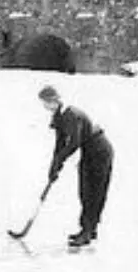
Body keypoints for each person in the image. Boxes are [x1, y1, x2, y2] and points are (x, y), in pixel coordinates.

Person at [39, 85, 114, 247]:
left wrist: (60, 160)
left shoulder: (71, 114)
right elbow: (60, 144)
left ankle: (88, 231)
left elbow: (74, 143)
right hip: (89, 151)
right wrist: (54, 166)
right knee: (84, 190)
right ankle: (88, 229)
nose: (45, 107)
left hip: (100, 150)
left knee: (93, 191)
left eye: (46, 103)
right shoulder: (59, 116)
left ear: (54, 100)